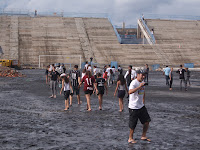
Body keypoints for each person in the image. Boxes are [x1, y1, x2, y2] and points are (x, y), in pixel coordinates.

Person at [128, 70, 151, 144]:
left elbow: (143, 92)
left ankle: (143, 136)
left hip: (141, 106)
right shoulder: (134, 82)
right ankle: (130, 138)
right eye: (142, 75)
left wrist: (143, 102)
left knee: (147, 121)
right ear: (138, 74)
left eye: (144, 75)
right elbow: (130, 92)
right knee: (133, 124)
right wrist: (139, 87)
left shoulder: (142, 82)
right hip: (133, 107)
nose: (143, 76)